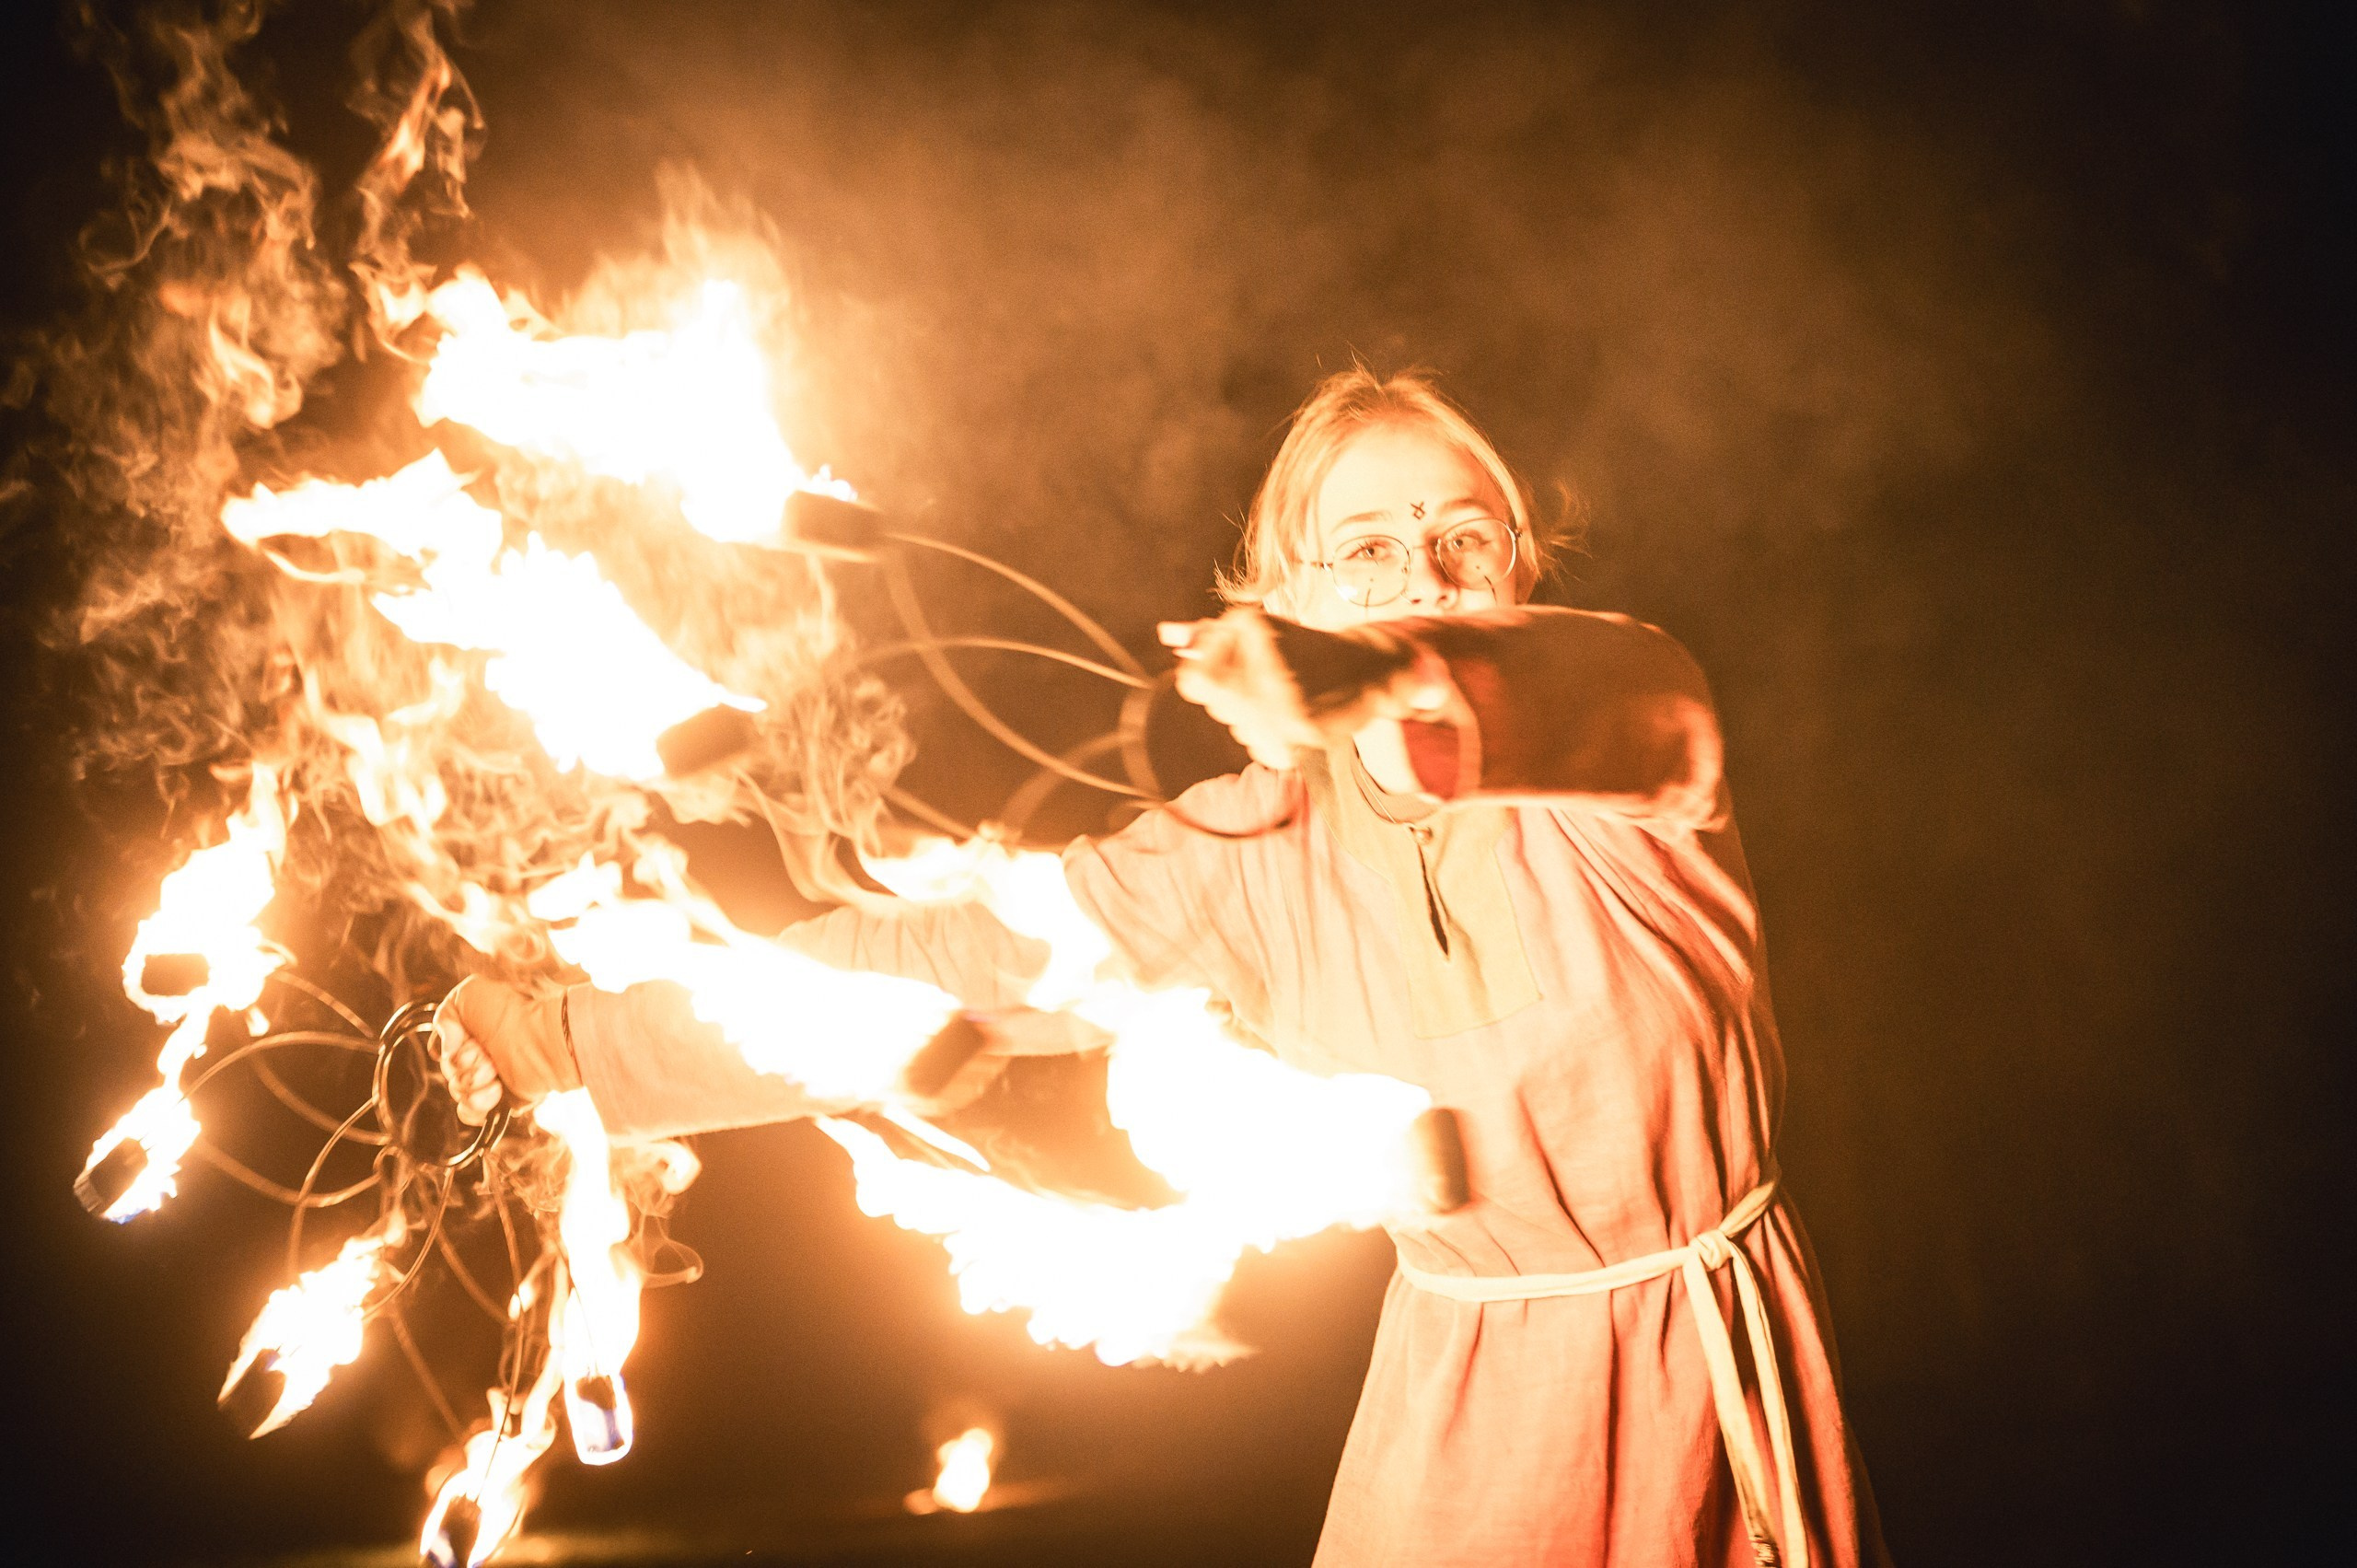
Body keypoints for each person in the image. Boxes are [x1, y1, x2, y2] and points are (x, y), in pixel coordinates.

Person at [440, 367, 1891, 1567]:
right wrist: (567, 1049)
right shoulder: (1239, 857)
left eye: (1464, 538)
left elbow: (1578, 688)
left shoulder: (1631, 743)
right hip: (1468, 1423)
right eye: (1367, 551)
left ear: (1523, 566)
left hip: (1718, 1373)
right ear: (1284, 591)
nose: (1424, 575)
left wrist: (1376, 675)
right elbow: (919, 958)